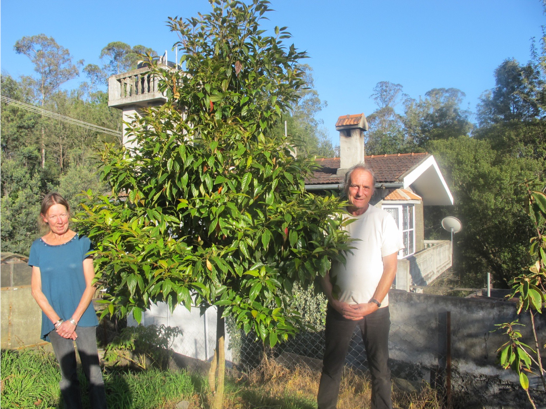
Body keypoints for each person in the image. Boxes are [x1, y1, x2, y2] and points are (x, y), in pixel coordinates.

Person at [317, 163, 403, 409]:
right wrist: (333, 300)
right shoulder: (332, 220)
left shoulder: (383, 219)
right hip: (340, 308)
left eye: (365, 187)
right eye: (354, 185)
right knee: (331, 367)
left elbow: (390, 268)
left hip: (375, 310)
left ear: (373, 190)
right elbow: (322, 266)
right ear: (346, 187)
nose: (359, 192)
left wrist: (374, 304)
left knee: (380, 369)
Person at [29, 192, 108, 409]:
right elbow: (36, 290)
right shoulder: (38, 247)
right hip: (54, 321)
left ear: (69, 213)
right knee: (68, 377)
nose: (59, 220)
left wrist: (72, 321)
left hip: (82, 317)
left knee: (94, 375)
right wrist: (58, 322)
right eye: (53, 216)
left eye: (62, 214)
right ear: (45, 217)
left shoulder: (82, 242)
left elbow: (92, 284)